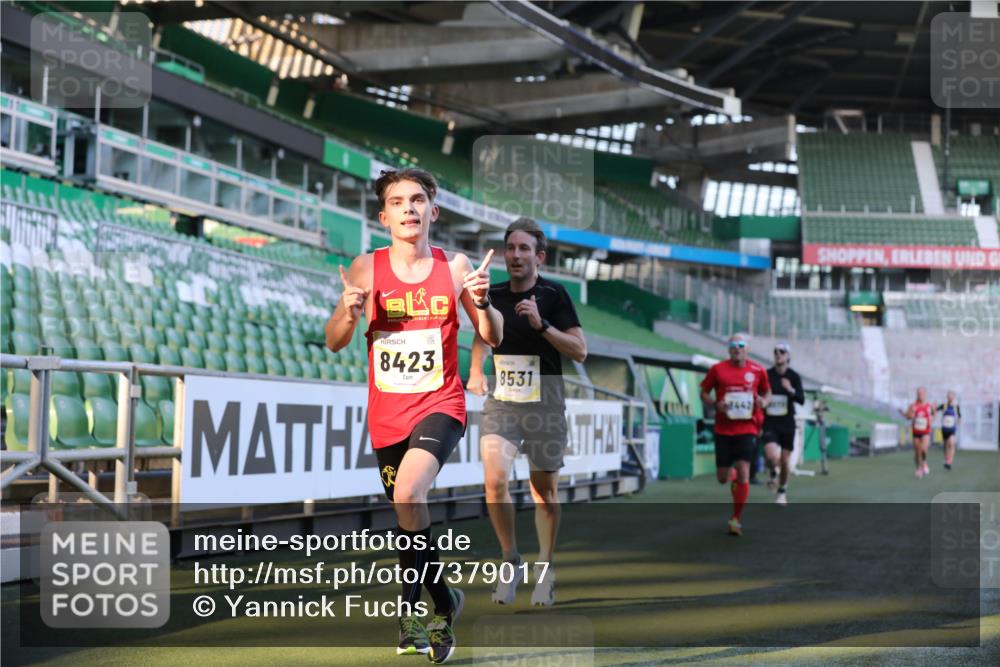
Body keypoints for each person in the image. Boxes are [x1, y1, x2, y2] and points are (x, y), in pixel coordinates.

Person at [325, 168, 503, 663]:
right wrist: (347, 311)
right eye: (398, 201)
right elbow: (335, 341)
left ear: (433, 211)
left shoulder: (454, 267)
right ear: (384, 217)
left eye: (419, 199)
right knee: (408, 514)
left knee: (408, 492)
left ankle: (415, 616)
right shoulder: (365, 269)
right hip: (387, 416)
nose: (409, 208)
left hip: (440, 405)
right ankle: (445, 600)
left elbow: (494, 335)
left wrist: (485, 304)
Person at [467, 218, 587, 607]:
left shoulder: (555, 295)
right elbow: (483, 339)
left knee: (544, 493)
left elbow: (580, 350)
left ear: (539, 256)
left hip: (546, 401)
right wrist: (474, 371)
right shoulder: (494, 294)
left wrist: (542, 324)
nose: (515, 255)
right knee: (494, 479)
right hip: (503, 400)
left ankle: (545, 569)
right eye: (510, 248)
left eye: (524, 249)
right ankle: (510, 559)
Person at [699, 333, 771, 536]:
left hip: (748, 428)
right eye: (732, 345)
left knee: (743, 468)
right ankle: (733, 478)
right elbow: (703, 392)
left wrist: (763, 403)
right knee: (722, 477)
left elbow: (767, 392)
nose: (736, 348)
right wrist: (715, 404)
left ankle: (736, 519)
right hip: (723, 429)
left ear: (747, 348)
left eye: (740, 344)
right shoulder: (717, 369)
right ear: (728, 349)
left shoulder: (758, 370)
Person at [762, 342, 805, 506]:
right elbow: (759, 396)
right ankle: (773, 471)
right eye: (775, 352)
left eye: (782, 352)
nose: (778, 354)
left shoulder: (793, 377)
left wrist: (790, 390)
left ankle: (782, 492)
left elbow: (801, 399)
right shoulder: (766, 375)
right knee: (772, 456)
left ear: (788, 356)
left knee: (785, 461)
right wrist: (764, 399)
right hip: (770, 422)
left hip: (787, 423)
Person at [900, 387, 934, 478]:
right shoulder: (913, 406)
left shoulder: (929, 406)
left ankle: (925, 462)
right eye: (919, 393)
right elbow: (907, 416)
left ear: (925, 394)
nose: (920, 395)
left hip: (925, 431)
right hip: (916, 431)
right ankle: (918, 468)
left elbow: (933, 414)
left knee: (923, 448)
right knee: (917, 452)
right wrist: (907, 415)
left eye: (922, 393)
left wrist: (932, 420)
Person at [936, 391, 962, 470]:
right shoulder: (943, 406)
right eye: (949, 396)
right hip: (944, 429)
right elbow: (934, 411)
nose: (950, 397)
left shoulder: (956, 406)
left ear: (954, 397)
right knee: (945, 445)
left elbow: (959, 416)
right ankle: (947, 459)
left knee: (952, 443)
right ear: (947, 397)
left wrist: (958, 423)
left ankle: (950, 461)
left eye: (952, 396)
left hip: (952, 429)